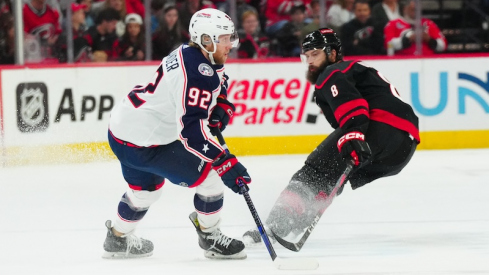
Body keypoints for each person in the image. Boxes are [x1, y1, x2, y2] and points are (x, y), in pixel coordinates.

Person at [243, 28, 419, 245]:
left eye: (315, 54)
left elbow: (355, 109)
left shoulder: (332, 72)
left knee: (314, 171)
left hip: (378, 126)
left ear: (333, 53)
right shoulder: (353, 70)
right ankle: (298, 218)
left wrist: (353, 134)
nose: (309, 61)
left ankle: (275, 225)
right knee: (330, 174)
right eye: (306, 56)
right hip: (402, 148)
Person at [102, 8, 252, 260]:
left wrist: (222, 101)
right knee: (213, 176)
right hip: (148, 143)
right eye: (224, 38)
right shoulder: (195, 74)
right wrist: (224, 161)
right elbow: (192, 134)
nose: (230, 44)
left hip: (121, 131)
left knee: (145, 191)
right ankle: (210, 236)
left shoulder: (191, 51)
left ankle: (117, 238)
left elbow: (217, 77)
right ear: (206, 39)